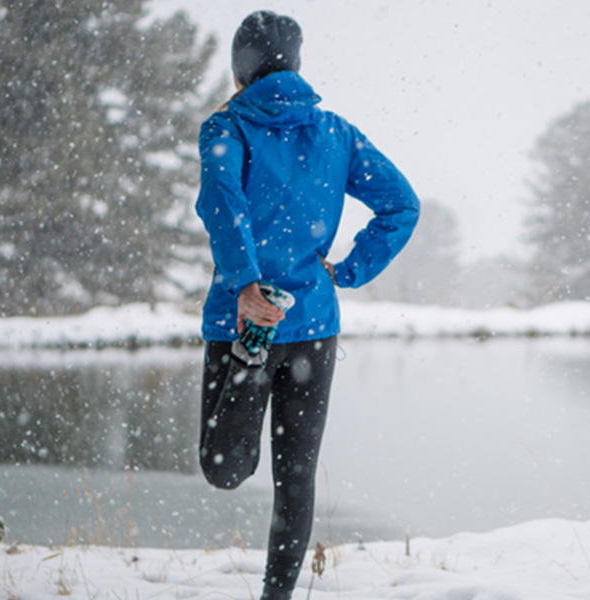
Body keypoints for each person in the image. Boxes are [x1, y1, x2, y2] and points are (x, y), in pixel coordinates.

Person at [194, 10, 419, 599]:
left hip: (244, 317)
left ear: (240, 68)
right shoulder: (336, 132)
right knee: (294, 478)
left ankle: (249, 359)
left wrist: (245, 284)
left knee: (226, 469)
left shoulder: (225, 127)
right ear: (294, 63)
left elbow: (224, 208)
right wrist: (347, 271)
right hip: (314, 325)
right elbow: (402, 207)